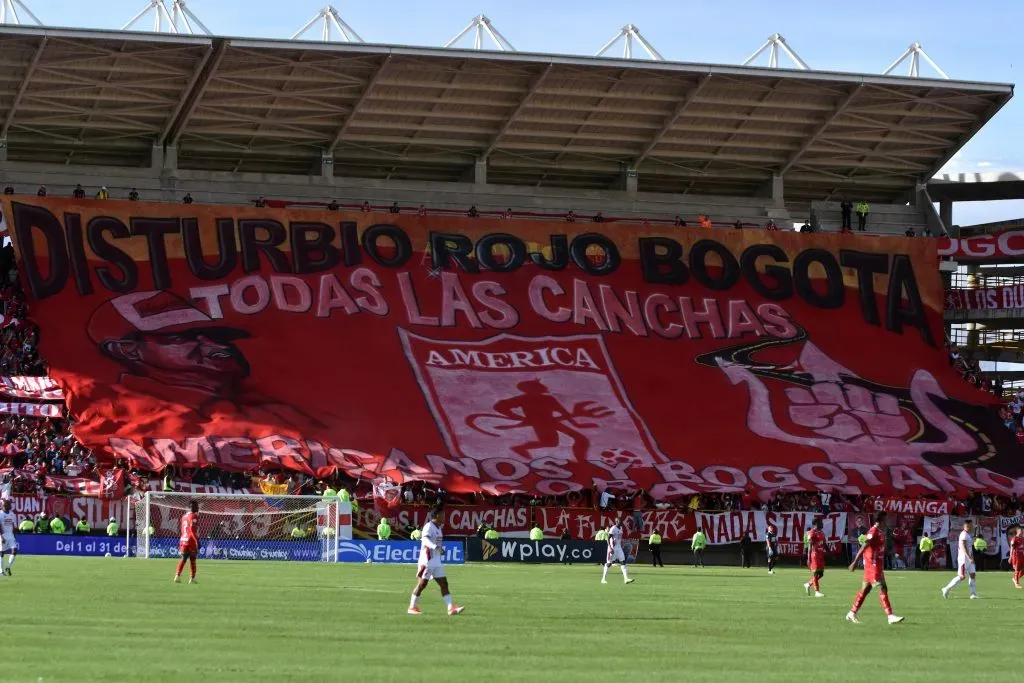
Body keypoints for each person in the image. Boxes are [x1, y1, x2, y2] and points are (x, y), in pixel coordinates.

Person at [846, 511, 904, 624]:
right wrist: (854, 562)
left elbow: (883, 549)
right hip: (872, 565)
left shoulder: (881, 532)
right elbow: (864, 546)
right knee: (883, 587)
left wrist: (895, 555)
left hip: (877, 565)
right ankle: (890, 616)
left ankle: (851, 613)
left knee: (865, 590)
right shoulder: (873, 531)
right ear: (882, 519)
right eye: (886, 519)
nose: (887, 521)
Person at [408, 506, 464, 615]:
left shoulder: (438, 528)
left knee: (444, 583)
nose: (444, 517)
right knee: (422, 584)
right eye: (443, 515)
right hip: (427, 560)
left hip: (436, 561)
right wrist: (436, 547)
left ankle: (451, 607)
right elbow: (425, 539)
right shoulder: (429, 526)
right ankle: (412, 607)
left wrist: (439, 549)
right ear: (437, 516)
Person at [942, 519, 979, 599]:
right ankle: (946, 588)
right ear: (967, 526)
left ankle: (973, 594)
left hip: (969, 558)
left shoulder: (968, 535)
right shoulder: (964, 534)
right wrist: (969, 557)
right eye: (970, 525)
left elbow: (969, 546)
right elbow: (963, 546)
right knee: (962, 576)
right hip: (964, 559)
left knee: (972, 575)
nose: (972, 527)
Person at [601, 517, 634, 585]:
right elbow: (608, 538)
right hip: (612, 548)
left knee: (623, 561)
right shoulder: (613, 528)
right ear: (616, 522)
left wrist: (620, 545)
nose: (621, 522)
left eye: (621, 521)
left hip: (618, 547)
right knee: (609, 563)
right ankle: (603, 579)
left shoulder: (621, 528)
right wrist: (610, 548)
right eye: (619, 521)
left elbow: (618, 538)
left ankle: (626, 579)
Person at [174, 501, 199, 584]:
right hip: (191, 541)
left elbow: (182, 529)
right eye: (197, 506)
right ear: (193, 507)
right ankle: (192, 578)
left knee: (183, 559)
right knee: (193, 559)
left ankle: (177, 576)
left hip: (183, 540)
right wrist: (196, 541)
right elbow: (192, 530)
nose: (198, 508)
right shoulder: (193, 516)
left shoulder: (184, 516)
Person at [804, 518, 826, 598]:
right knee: (815, 573)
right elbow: (810, 547)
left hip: (821, 555)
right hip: (814, 555)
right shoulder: (812, 533)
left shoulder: (821, 533)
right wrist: (808, 558)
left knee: (821, 574)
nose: (823, 524)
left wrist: (830, 553)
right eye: (821, 522)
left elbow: (824, 544)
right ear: (817, 523)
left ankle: (808, 584)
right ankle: (817, 592)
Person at [0, 499, 17, 576]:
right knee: (1, 553)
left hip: (10, 535)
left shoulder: (12, 514)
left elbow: (13, 525)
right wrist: (1, 536)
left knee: (14, 550)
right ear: (4, 506)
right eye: (7, 505)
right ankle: (1, 571)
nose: (9, 506)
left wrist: (14, 535)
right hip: (3, 535)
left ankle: (8, 566)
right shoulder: (0, 514)